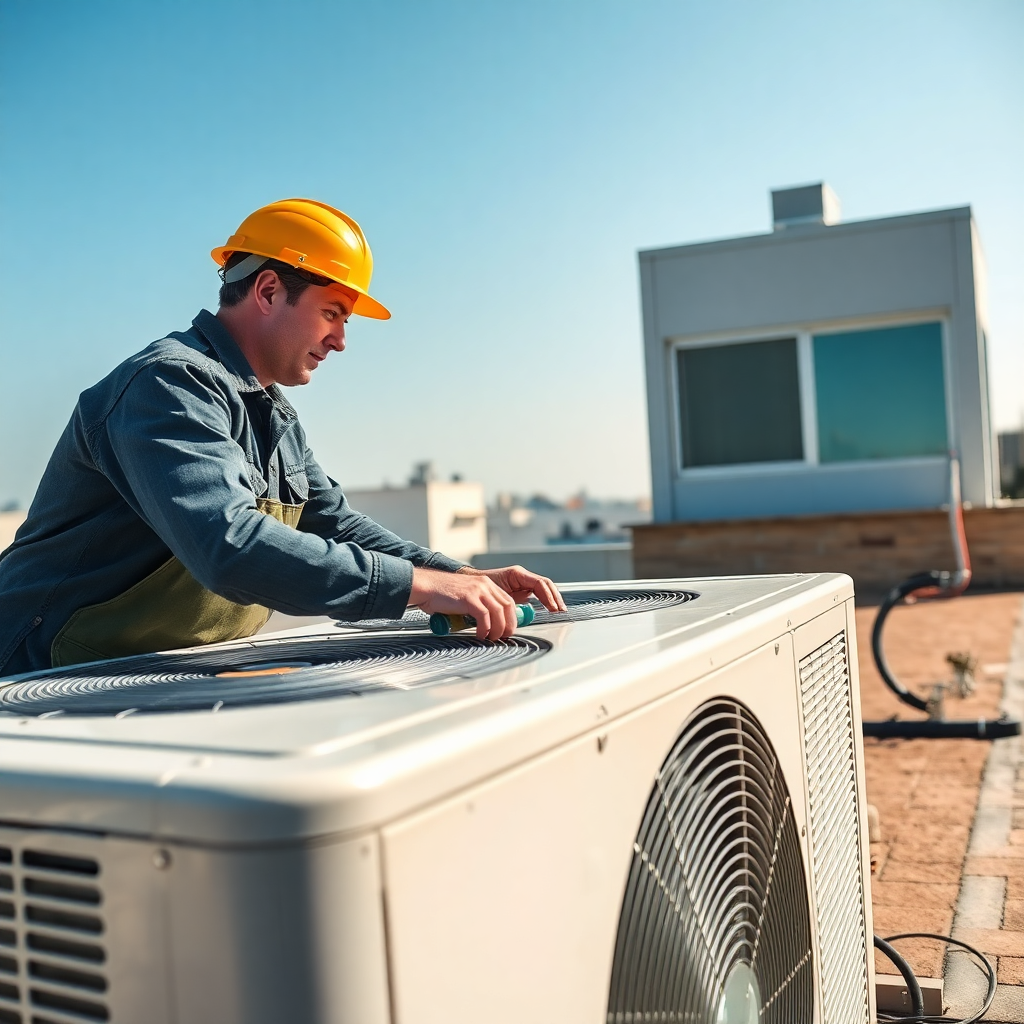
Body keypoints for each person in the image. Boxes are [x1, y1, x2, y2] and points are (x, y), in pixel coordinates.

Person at [0, 198, 564, 676]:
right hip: (34, 678)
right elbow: (230, 546)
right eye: (333, 312)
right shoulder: (167, 385)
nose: (341, 340)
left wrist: (458, 577)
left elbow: (335, 525)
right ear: (268, 290)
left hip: (136, 679)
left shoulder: (272, 414)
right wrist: (417, 587)